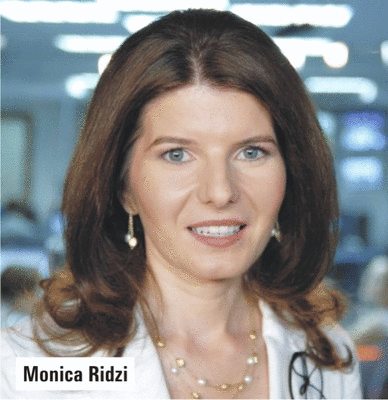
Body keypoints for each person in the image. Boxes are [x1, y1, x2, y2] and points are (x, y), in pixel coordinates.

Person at [1, 9, 361, 399]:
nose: (220, 192)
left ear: (292, 171)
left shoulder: (328, 356)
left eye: (252, 152)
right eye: (177, 155)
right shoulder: (34, 367)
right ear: (122, 186)